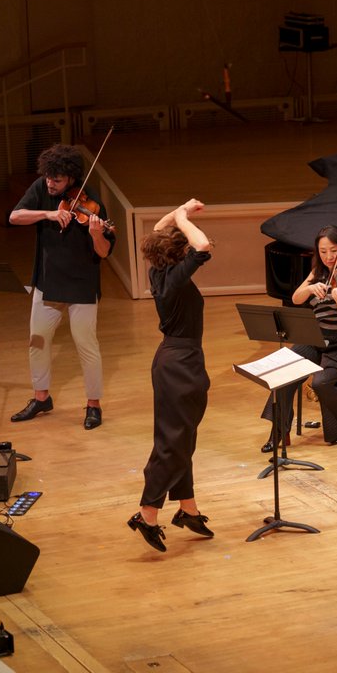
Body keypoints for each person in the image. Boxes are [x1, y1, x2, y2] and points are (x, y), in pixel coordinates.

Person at [8, 143, 116, 430]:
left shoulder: (91, 201)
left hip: (82, 285)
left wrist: (95, 234)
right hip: (47, 282)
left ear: (71, 178)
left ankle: (93, 405)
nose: (50, 183)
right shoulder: (42, 189)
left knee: (86, 345)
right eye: (48, 177)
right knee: (38, 340)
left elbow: (104, 252)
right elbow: (14, 216)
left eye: (56, 179)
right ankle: (41, 397)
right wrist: (48, 214)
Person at [128, 199, 214, 552]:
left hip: (173, 359)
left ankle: (187, 507)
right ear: (178, 255)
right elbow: (203, 246)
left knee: (183, 437)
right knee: (173, 442)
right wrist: (182, 217)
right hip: (181, 364)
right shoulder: (176, 278)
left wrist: (181, 210)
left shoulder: (158, 271)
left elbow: (157, 234)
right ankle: (147, 513)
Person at [260, 225, 337, 450]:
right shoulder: (318, 272)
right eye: (323, 251)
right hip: (318, 339)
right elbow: (296, 298)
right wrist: (311, 289)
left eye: (334, 250)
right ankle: (280, 431)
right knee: (283, 371)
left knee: (321, 382)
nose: (329, 257)